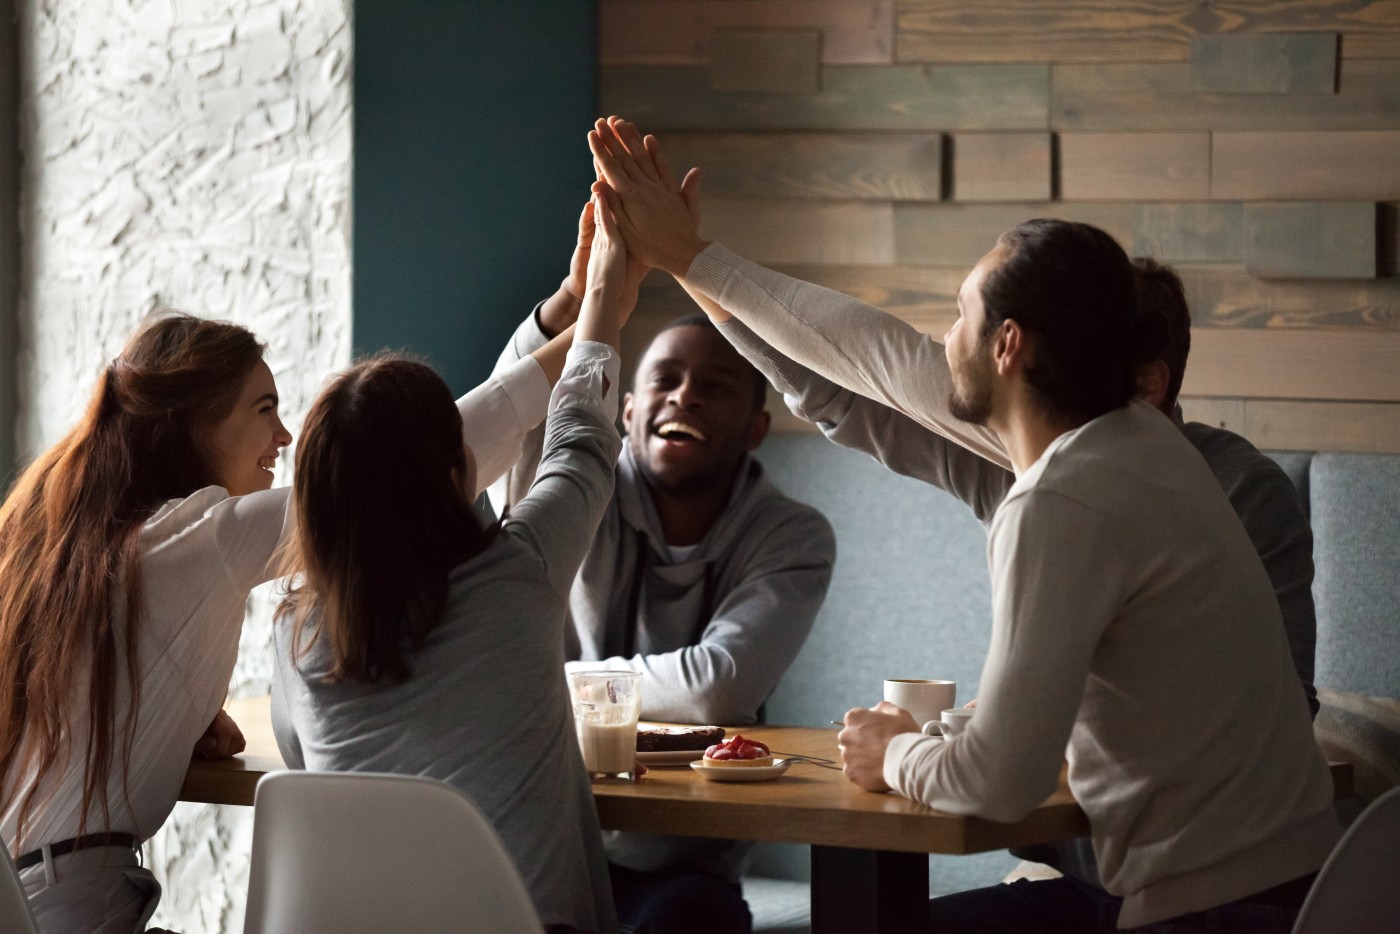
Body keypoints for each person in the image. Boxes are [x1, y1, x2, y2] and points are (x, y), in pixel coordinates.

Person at [588, 116, 1340, 932]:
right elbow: (868, 358)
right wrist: (696, 265)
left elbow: (998, 785)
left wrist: (894, 753)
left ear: (1008, 345)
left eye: (959, 316)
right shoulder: (1140, 442)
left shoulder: (1062, 499)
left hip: (1211, 911)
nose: (943, 341)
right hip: (1295, 891)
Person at [0, 234, 586, 930]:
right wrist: (593, 328)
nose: (283, 436)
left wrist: (177, 721)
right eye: (263, 409)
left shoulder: (59, 537)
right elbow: (404, 468)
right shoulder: (203, 538)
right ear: (193, 426)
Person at [269, 192, 633, 934]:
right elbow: (581, 442)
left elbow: (304, 765)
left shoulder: (297, 635)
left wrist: (576, 300)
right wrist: (604, 298)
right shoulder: (516, 581)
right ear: (454, 470)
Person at [488, 218, 835, 934]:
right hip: (547, 839)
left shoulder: (792, 535)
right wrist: (570, 303)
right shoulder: (581, 492)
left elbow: (719, 683)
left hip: (684, 865)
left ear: (755, 428)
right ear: (628, 411)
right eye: (665, 382)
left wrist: (551, 688)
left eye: (715, 387)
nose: (685, 397)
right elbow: (511, 430)